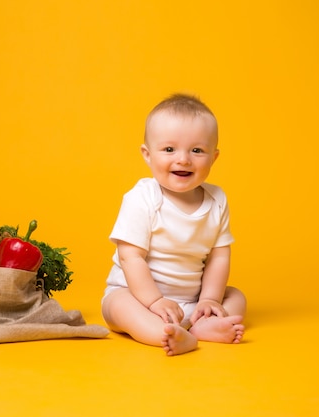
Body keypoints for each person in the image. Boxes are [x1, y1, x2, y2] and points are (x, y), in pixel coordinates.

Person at [101, 93, 246, 356]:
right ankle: (164, 334)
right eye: (169, 149)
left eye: (197, 150)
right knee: (118, 306)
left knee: (236, 297)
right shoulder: (142, 198)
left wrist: (209, 299)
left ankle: (203, 324)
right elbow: (130, 256)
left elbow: (219, 256)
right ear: (147, 154)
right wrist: (155, 301)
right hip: (138, 297)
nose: (183, 159)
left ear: (213, 158)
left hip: (192, 301)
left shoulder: (217, 200)